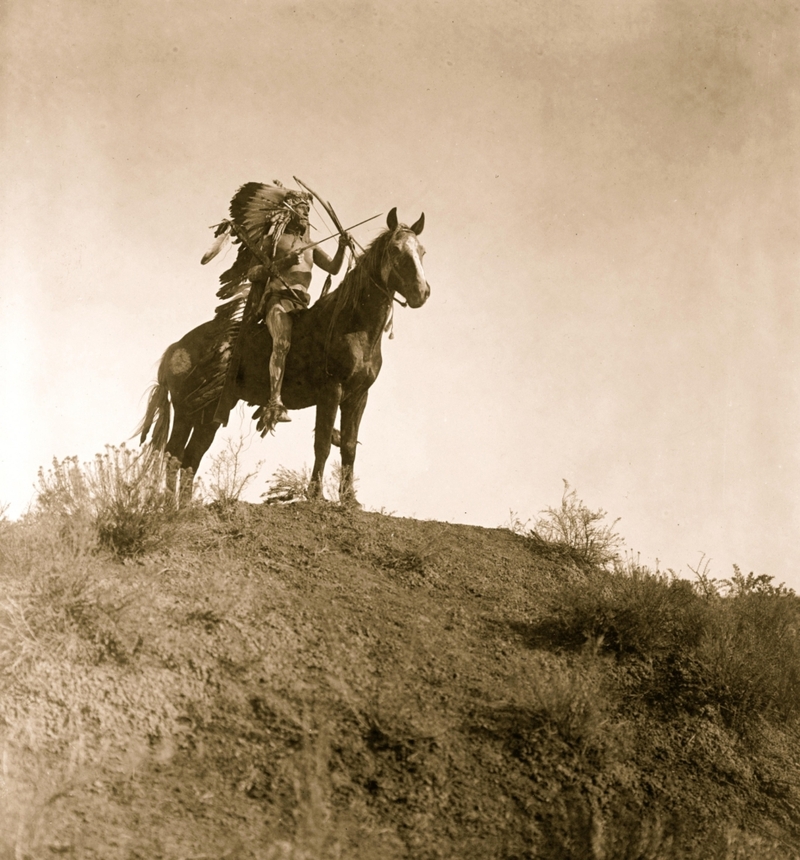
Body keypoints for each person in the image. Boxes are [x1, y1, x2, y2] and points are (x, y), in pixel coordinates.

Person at [246, 194, 350, 428]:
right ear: (288, 212)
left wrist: (342, 248)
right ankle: (274, 402)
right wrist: (284, 262)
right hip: (278, 302)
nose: (305, 215)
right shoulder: (273, 241)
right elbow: (253, 273)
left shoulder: (311, 246)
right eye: (301, 210)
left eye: (307, 211)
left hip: (302, 306)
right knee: (282, 343)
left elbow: (333, 268)